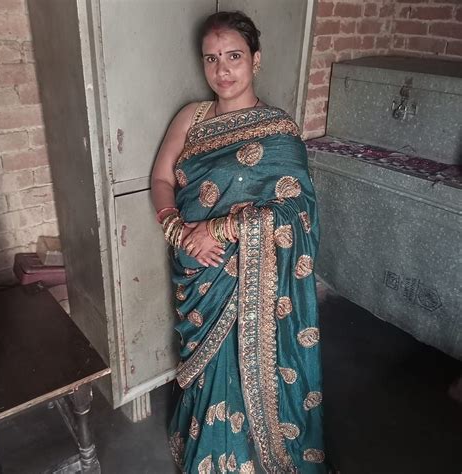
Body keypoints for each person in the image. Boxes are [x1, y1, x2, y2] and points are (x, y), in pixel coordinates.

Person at [151, 11, 326, 473]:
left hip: (253, 274)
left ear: (256, 59)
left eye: (234, 56)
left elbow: (298, 210)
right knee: (209, 370)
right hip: (197, 271)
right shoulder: (191, 117)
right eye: (211, 59)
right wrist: (176, 229)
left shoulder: (278, 130)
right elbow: (162, 178)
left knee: (247, 362)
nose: (222, 70)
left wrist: (222, 229)